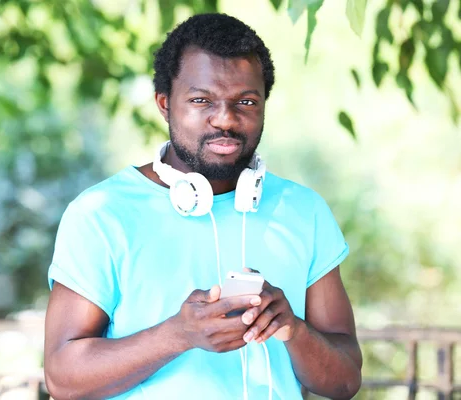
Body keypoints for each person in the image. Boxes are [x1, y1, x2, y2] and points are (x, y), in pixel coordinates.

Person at [44, 13, 362, 400]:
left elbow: (344, 381)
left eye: (245, 101)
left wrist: (294, 329)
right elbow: (62, 379)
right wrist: (178, 335)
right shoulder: (101, 213)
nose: (226, 119)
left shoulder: (304, 211)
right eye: (201, 100)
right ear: (165, 104)